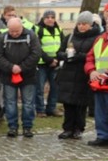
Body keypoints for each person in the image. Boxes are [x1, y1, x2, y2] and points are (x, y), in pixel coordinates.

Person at [56, 11, 101, 140]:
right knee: (68, 104)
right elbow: (59, 52)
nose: (81, 26)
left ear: (90, 24)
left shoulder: (96, 38)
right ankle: (67, 128)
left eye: (84, 24)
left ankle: (78, 128)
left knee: (80, 104)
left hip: (83, 75)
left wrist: (78, 56)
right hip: (68, 74)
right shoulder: (70, 37)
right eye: (80, 24)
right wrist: (66, 55)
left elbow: (93, 56)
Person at [0, 17, 41, 137]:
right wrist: (11, 67)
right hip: (8, 75)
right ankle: (12, 126)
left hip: (28, 76)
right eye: (12, 31)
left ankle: (27, 127)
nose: (14, 34)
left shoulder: (31, 36)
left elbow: (36, 54)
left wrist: (22, 67)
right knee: (10, 102)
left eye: (17, 31)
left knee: (28, 103)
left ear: (22, 27)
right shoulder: (3, 37)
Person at [35, 10, 64, 118]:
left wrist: (56, 59)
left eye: (52, 17)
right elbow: (37, 47)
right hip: (42, 63)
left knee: (55, 87)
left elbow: (63, 45)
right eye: (47, 17)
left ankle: (51, 108)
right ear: (43, 18)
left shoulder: (58, 30)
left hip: (55, 63)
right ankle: (40, 110)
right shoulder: (38, 29)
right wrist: (49, 60)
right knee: (39, 88)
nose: (50, 19)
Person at [85, 13, 108, 146]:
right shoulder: (99, 39)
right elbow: (90, 58)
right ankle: (102, 135)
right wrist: (91, 71)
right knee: (100, 112)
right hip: (99, 83)